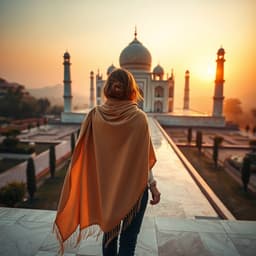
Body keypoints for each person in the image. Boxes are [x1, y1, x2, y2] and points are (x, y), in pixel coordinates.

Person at [54, 68, 161, 256]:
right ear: (132, 89)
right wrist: (153, 185)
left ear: (107, 88)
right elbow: (143, 160)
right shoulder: (139, 118)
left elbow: (85, 156)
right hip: (135, 192)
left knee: (109, 238)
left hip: (107, 192)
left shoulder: (95, 116)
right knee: (129, 241)